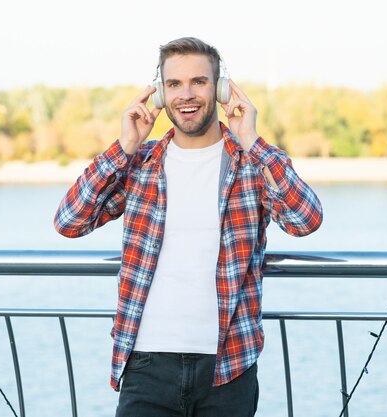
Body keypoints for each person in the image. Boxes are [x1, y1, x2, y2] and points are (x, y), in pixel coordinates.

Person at [54, 37, 323, 417]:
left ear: (221, 88)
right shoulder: (140, 164)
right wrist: (124, 146)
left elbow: (305, 220)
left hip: (227, 366)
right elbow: (70, 221)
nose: (187, 94)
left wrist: (252, 140)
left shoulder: (250, 163)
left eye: (199, 81)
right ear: (161, 95)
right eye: (174, 84)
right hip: (146, 365)